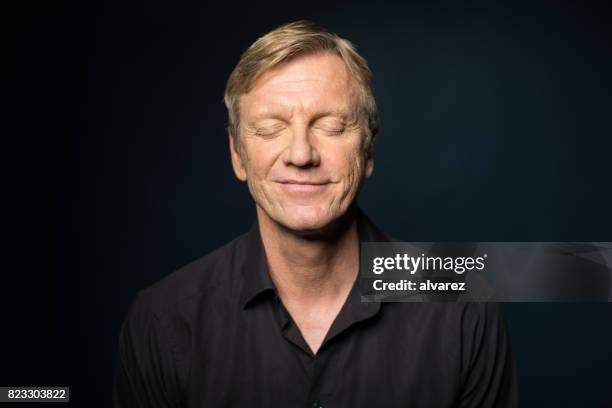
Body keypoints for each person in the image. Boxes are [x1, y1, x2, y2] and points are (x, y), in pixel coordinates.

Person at [113, 20, 518, 407]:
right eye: (270, 128)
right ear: (237, 155)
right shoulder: (162, 320)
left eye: (332, 126)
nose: (301, 154)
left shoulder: (463, 308)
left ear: (368, 149)